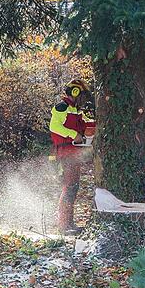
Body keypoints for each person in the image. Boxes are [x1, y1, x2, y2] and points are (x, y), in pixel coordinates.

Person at [49, 79, 95, 235]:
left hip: (74, 154)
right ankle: (64, 225)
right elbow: (54, 127)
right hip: (65, 153)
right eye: (81, 95)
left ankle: (69, 223)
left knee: (73, 187)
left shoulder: (76, 110)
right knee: (69, 187)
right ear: (74, 93)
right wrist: (72, 134)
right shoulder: (62, 108)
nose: (83, 99)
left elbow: (84, 126)